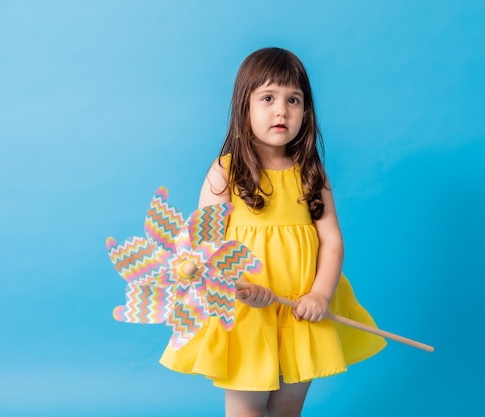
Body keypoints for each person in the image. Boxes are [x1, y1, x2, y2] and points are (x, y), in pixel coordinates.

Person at [160, 47, 386, 417]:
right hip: (247, 312)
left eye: (293, 100)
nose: (282, 110)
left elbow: (331, 241)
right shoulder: (226, 172)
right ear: (243, 107)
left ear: (305, 112)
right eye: (268, 98)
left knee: (288, 406)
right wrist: (239, 288)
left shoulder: (311, 173)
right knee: (247, 408)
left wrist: (320, 295)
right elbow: (203, 249)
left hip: (300, 309)